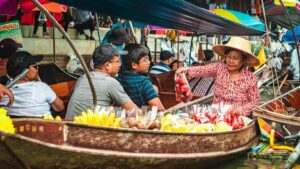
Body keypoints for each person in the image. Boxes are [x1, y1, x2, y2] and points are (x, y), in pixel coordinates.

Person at [177, 37, 260, 116]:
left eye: (235, 58)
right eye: (229, 57)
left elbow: (254, 102)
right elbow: (203, 70)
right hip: (216, 116)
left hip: (237, 120)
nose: (230, 61)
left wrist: (240, 110)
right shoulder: (219, 68)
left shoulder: (250, 78)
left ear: (243, 61)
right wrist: (187, 70)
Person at [65, 44, 137, 120]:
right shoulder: (110, 82)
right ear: (108, 65)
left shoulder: (83, 78)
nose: (120, 64)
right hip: (87, 130)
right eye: (117, 61)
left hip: (69, 126)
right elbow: (134, 111)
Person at [0, 51, 64, 117]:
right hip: (42, 126)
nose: (37, 70)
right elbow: (60, 107)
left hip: (11, 126)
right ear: (26, 71)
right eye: (35, 66)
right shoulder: (41, 87)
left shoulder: (2, 92)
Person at [117, 44, 165, 111]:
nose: (149, 62)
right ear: (134, 65)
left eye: (148, 59)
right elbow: (159, 109)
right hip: (141, 118)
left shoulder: (118, 79)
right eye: (145, 60)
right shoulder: (143, 82)